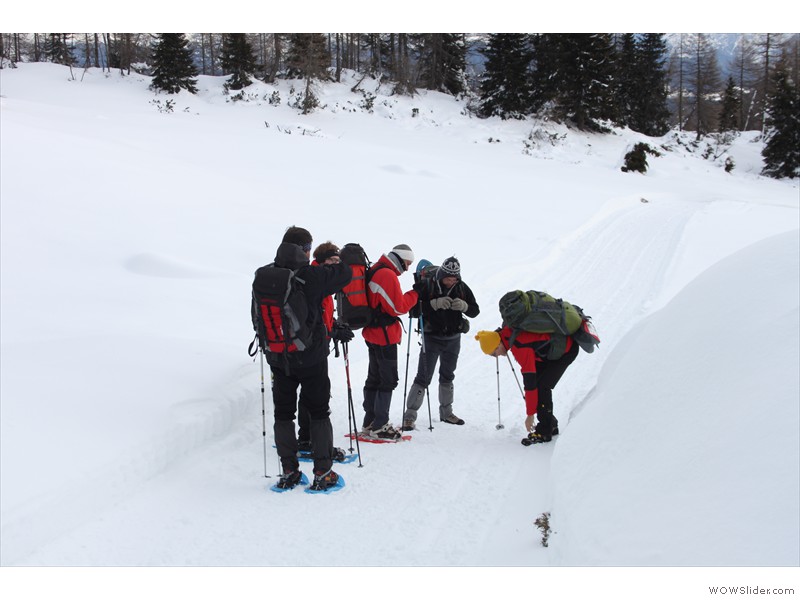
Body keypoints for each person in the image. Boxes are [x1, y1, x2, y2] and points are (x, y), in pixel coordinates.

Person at [252, 226, 352, 490]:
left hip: (277, 356)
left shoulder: (263, 275)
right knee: (319, 411)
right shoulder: (311, 276)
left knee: (283, 413)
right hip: (310, 357)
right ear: (306, 250)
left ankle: (289, 471)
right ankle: (323, 472)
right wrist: (344, 257)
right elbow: (344, 274)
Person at [402, 257, 480, 430]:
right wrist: (433, 304)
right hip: (432, 337)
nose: (451, 281)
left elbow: (475, 311)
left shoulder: (461, 287)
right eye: (448, 278)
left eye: (454, 278)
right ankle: (409, 416)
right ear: (441, 275)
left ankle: (446, 413)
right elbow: (412, 310)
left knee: (447, 375)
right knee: (423, 376)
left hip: (453, 338)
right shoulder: (427, 285)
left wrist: (465, 306)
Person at [474, 324, 579, 444]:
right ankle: (550, 424)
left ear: (498, 345)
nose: (496, 356)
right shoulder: (507, 334)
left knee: (542, 386)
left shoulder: (518, 346)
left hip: (566, 349)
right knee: (539, 383)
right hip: (548, 351)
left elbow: (530, 384)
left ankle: (545, 432)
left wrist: (530, 415)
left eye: (493, 354)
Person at [297, 242, 353, 461]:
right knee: (314, 395)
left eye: (338, 261)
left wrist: (335, 328)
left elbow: (323, 315)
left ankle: (306, 439)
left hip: (317, 344)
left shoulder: (325, 282)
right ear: (320, 261)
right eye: (332, 261)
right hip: (311, 347)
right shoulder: (316, 279)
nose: (336, 265)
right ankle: (309, 441)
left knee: (311, 394)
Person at [361, 244, 419, 440]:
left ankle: (370, 422)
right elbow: (397, 307)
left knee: (375, 377)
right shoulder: (386, 274)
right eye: (408, 264)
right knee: (387, 379)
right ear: (400, 259)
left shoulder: (376, 268)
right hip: (384, 335)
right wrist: (415, 294)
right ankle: (380, 426)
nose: (408, 268)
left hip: (372, 332)